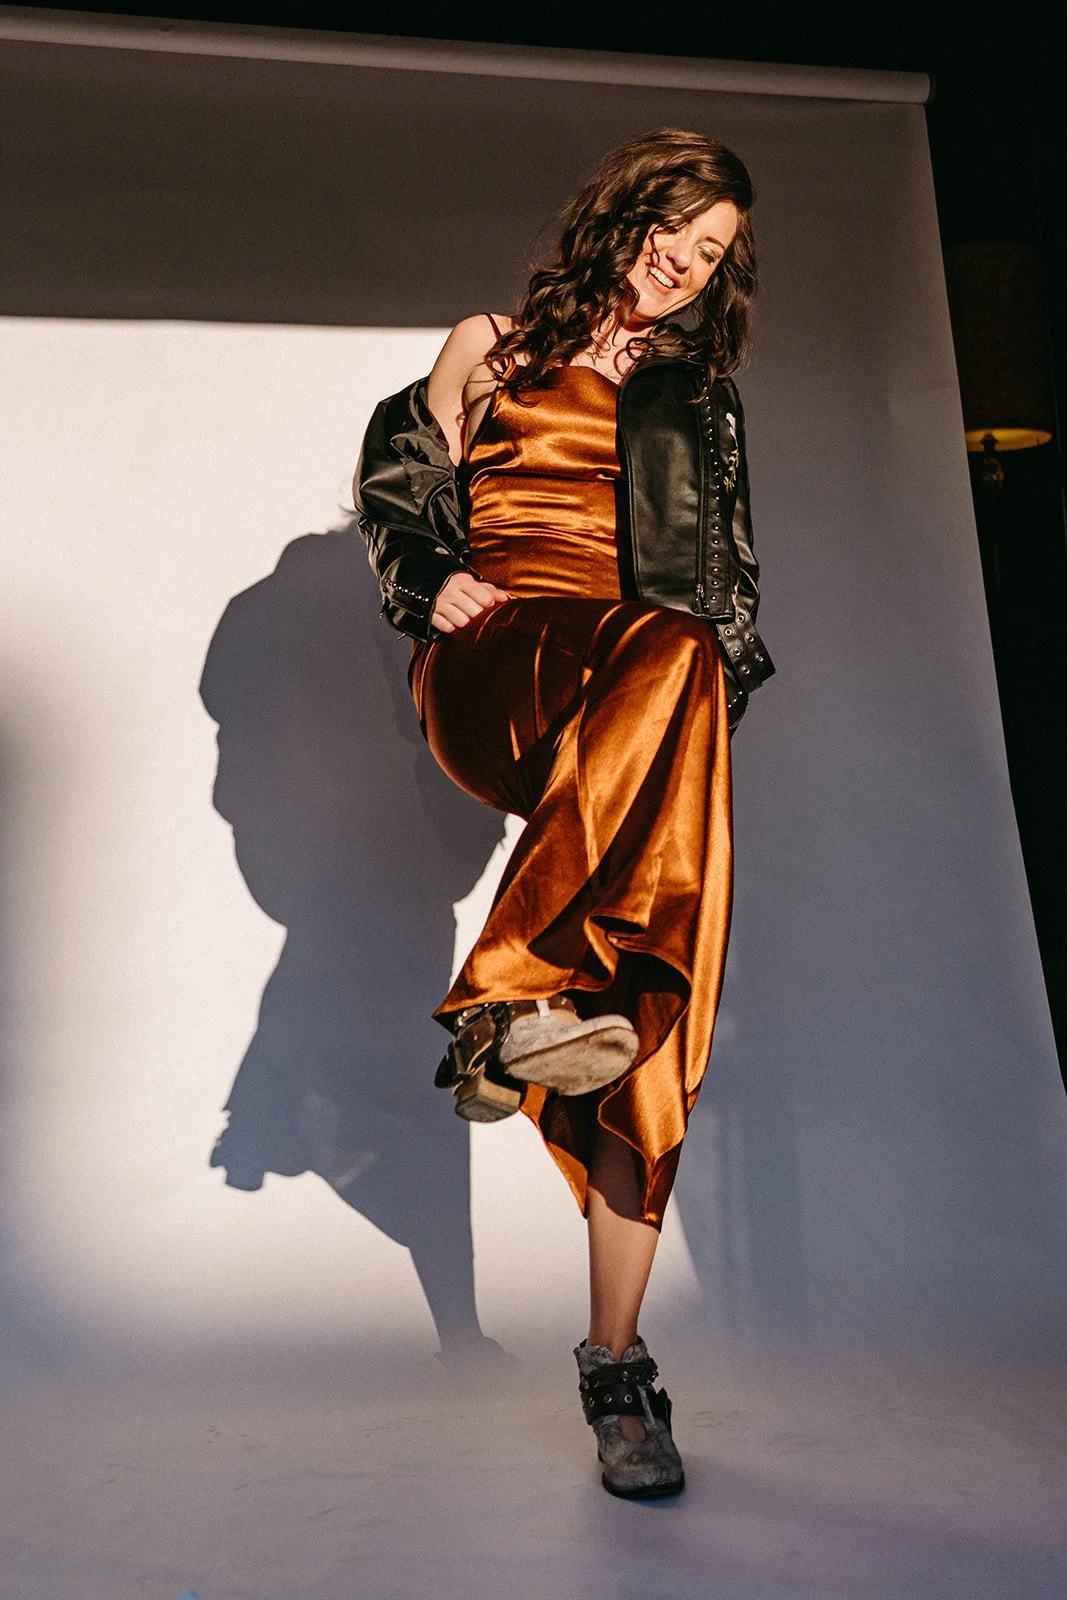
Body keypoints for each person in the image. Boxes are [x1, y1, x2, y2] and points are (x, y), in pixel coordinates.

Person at [353, 127, 773, 1499]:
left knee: (655, 1012)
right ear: (626, 213)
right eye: (674, 231)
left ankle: (616, 1365)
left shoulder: (695, 399)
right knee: (671, 650)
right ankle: (506, 989)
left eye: (711, 255)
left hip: (642, 695)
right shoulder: (493, 344)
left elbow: (720, 590)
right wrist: (431, 578)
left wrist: (681, 745)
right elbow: (401, 485)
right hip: (499, 662)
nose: (684, 264)